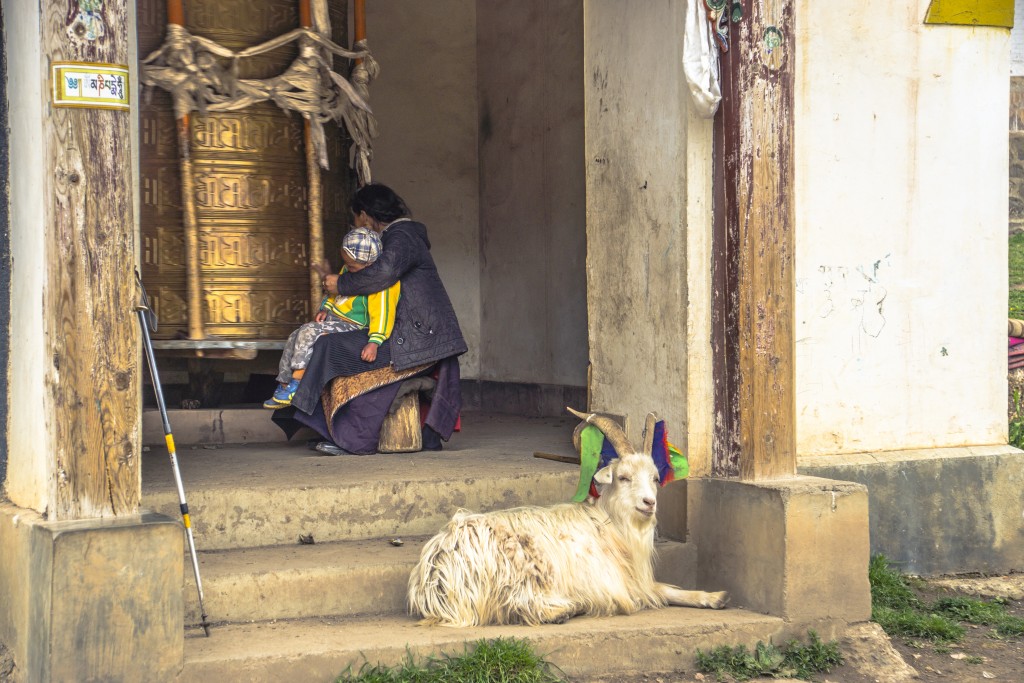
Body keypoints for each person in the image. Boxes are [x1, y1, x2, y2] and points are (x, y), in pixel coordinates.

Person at [279, 182, 467, 455]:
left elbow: (381, 275)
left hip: (418, 339)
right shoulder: (398, 237)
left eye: (355, 219)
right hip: (407, 333)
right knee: (328, 341)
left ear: (364, 215)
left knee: (329, 347)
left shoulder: (403, 237)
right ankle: (325, 425)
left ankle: (349, 438)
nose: (356, 225)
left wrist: (341, 284)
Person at [263, 227, 399, 409]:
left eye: (352, 266)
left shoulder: (381, 283)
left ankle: (298, 382)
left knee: (309, 331)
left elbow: (383, 314)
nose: (348, 269)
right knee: (296, 335)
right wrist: (326, 308)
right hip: (334, 319)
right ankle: (285, 383)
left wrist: (374, 341)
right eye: (347, 264)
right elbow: (335, 292)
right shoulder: (348, 269)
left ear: (369, 264)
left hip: (354, 326)